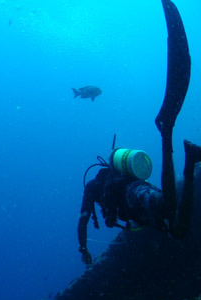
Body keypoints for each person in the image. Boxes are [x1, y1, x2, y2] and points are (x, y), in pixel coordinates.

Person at [78, 0, 200, 266]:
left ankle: (166, 132)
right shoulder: (105, 181)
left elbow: (84, 220)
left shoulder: (92, 187)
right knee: (177, 230)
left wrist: (83, 249)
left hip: (134, 194)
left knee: (168, 208)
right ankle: (190, 161)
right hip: (136, 198)